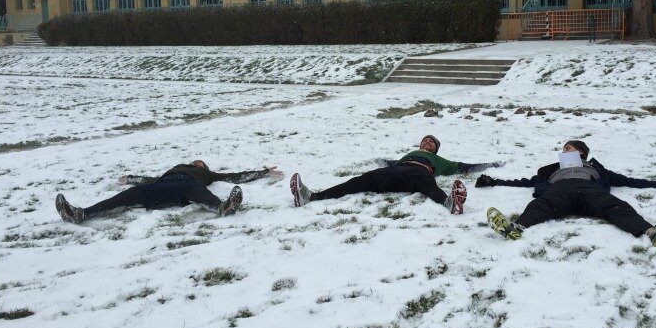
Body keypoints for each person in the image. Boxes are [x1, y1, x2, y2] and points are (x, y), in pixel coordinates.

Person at [479, 140, 656, 248]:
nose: (563, 151)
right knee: (539, 206)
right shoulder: (552, 171)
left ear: (580, 152)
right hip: (559, 191)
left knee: (617, 206)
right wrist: (493, 181)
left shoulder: (597, 170)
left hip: (589, 189)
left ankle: (653, 233)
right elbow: (525, 182)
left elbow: (630, 181)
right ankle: (515, 228)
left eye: (567, 149)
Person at [290, 135, 503, 214]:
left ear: (435, 149)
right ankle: (312, 197)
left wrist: (491, 164)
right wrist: (378, 160)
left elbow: (464, 166)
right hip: (394, 172)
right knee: (360, 181)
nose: (427, 142)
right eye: (425, 140)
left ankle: (450, 204)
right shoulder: (408, 154)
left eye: (432, 142)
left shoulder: (439, 161)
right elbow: (389, 162)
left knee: (429, 186)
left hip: (420, 174)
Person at [55, 160, 282, 224]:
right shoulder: (173, 169)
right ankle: (81, 213)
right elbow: (151, 179)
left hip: (187, 187)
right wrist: (132, 179)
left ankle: (224, 207)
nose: (197, 162)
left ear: (204, 168)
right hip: (160, 187)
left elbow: (234, 176)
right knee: (126, 196)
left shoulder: (205, 175)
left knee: (202, 194)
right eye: (196, 161)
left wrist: (263, 172)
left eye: (200, 163)